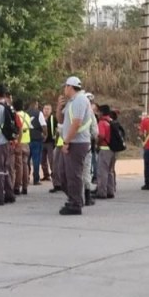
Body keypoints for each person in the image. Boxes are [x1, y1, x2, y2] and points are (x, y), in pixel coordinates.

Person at [58, 76, 94, 215]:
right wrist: (58, 107)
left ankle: (76, 203)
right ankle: (75, 198)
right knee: (63, 173)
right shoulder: (72, 101)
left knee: (73, 174)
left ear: (70, 87)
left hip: (77, 142)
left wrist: (66, 141)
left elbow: (77, 123)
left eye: (65, 86)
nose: (64, 89)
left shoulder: (80, 100)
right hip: (71, 141)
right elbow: (61, 120)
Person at [95, 105, 116, 200]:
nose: (97, 113)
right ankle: (110, 191)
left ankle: (102, 192)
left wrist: (97, 144)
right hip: (112, 149)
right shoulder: (111, 121)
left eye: (98, 112)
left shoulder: (102, 122)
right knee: (110, 171)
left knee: (102, 171)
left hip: (104, 148)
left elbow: (102, 135)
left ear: (102, 112)